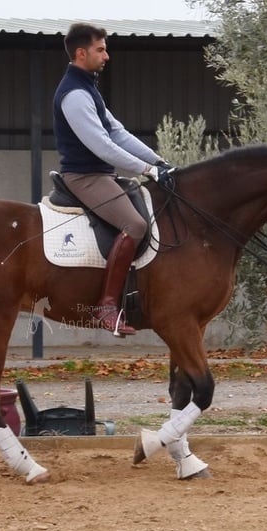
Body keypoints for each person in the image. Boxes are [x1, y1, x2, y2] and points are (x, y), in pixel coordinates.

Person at [53, 22, 174, 337]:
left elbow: (118, 133)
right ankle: (106, 307)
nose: (107, 56)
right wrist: (146, 170)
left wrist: (158, 161)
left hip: (101, 174)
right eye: (101, 49)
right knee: (135, 226)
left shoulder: (88, 89)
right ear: (82, 53)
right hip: (85, 177)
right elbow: (102, 146)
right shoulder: (74, 94)